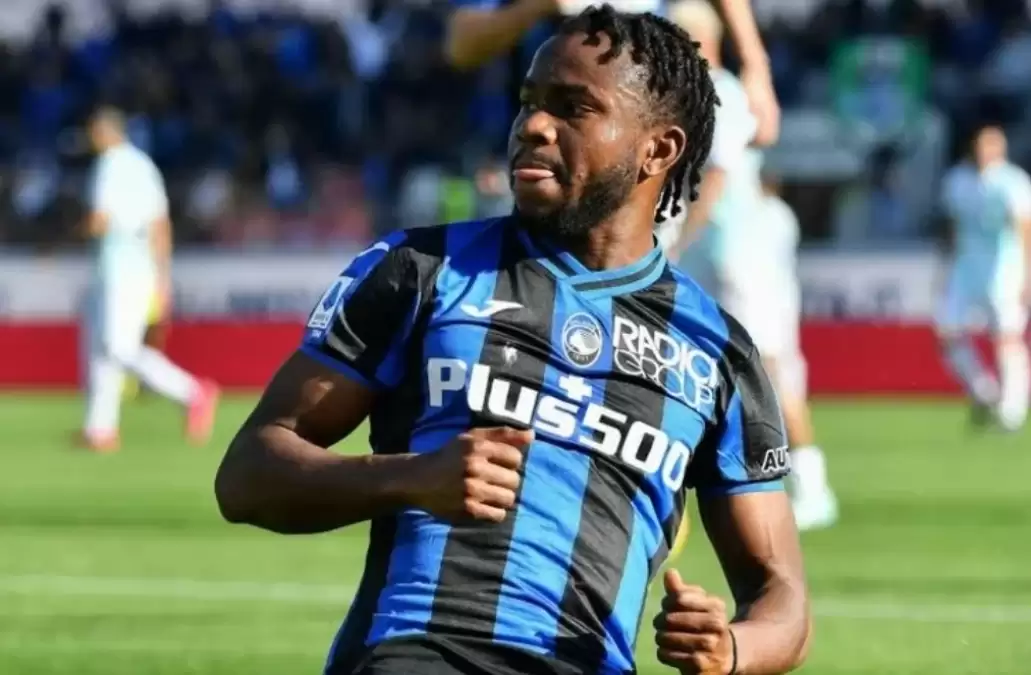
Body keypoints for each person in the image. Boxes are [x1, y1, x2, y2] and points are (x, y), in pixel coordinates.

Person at [215, 7, 810, 675]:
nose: (531, 125)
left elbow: (781, 597)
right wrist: (410, 477)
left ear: (659, 149)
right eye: (528, 102)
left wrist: (732, 648)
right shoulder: (422, 271)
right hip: (413, 656)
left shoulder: (716, 349)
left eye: (572, 107)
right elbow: (247, 475)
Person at [660, 0, 837, 532]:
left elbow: (716, 177)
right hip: (718, 252)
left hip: (742, 254)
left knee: (768, 367)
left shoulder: (724, 94)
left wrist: (675, 240)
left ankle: (811, 486)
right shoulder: (694, 98)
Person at [446, 0, 780, 146]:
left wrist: (755, 69)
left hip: (640, 154)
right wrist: (538, 6)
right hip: (535, 152)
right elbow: (461, 46)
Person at [79, 107, 219, 452]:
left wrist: (62, 237)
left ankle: (192, 392)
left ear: (101, 132)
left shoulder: (109, 165)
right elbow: (160, 224)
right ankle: (99, 430)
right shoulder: (144, 166)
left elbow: (99, 219)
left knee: (115, 347)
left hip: (117, 268)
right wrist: (162, 275)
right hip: (142, 268)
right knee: (102, 346)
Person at [938, 124, 1031, 432]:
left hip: (1004, 267)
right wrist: (946, 267)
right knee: (948, 334)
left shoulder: (1013, 181)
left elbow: (1024, 228)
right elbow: (952, 227)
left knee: (1007, 337)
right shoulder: (957, 180)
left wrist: (1027, 274)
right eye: (983, 145)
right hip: (966, 267)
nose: (987, 151)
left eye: (994, 145)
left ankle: (1012, 410)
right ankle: (984, 391)